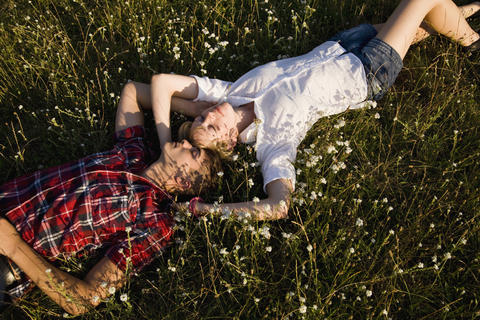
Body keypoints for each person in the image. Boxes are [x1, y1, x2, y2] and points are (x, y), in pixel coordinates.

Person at [141, 0, 480, 220]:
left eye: (201, 116)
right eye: (211, 125)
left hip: (341, 44)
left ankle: (457, 17)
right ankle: (472, 42)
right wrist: (207, 211)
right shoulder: (273, 141)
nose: (209, 114)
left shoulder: (228, 92)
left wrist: (165, 145)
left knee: (420, 23)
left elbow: (159, 84)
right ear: (231, 142)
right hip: (368, 70)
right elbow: (278, 206)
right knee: (420, 1)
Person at [0, 81, 223, 315]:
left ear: (183, 182)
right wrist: (199, 112)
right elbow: (133, 91)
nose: (186, 142)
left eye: (193, 152)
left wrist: (14, 247)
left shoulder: (155, 224)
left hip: (7, 258)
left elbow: (84, 299)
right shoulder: (134, 153)